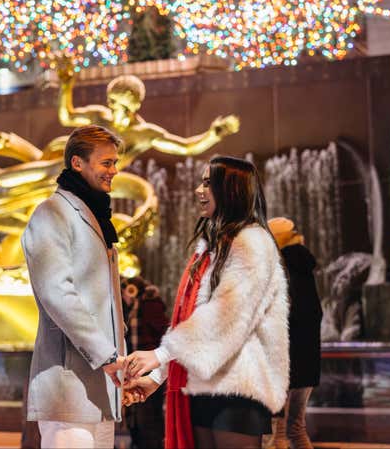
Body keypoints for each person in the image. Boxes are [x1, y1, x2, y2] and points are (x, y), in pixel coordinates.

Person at [124, 156, 290, 449]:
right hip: (203, 387)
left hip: (238, 390)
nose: (199, 191)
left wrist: (159, 356)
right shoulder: (212, 249)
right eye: (201, 182)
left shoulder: (253, 242)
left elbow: (225, 317)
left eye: (208, 183)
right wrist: (156, 378)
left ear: (233, 191)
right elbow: (190, 323)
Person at [21, 125, 128, 449]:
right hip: (67, 387)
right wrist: (108, 355)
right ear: (78, 163)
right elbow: (57, 293)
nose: (114, 170)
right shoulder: (51, 213)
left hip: (103, 389)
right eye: (106, 163)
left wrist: (119, 365)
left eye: (114, 162)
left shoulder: (97, 216)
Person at [267, 217, 322, 449]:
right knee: (297, 429)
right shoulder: (305, 267)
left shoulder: (279, 268)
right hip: (307, 362)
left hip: (283, 362)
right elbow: (316, 312)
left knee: (277, 434)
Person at [120, 276, 169, 449]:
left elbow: (164, 331)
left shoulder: (149, 305)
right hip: (136, 366)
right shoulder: (130, 308)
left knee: (149, 417)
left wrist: (159, 357)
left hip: (150, 365)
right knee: (134, 412)